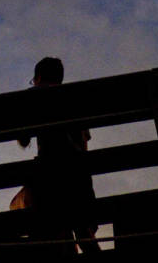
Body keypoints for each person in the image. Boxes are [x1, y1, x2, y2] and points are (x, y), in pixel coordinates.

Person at [16, 57, 100, 258]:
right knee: (83, 232)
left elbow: (23, 139)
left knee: (25, 208)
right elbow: (84, 142)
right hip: (80, 181)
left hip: (49, 179)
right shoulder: (76, 98)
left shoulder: (34, 95)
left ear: (37, 78)